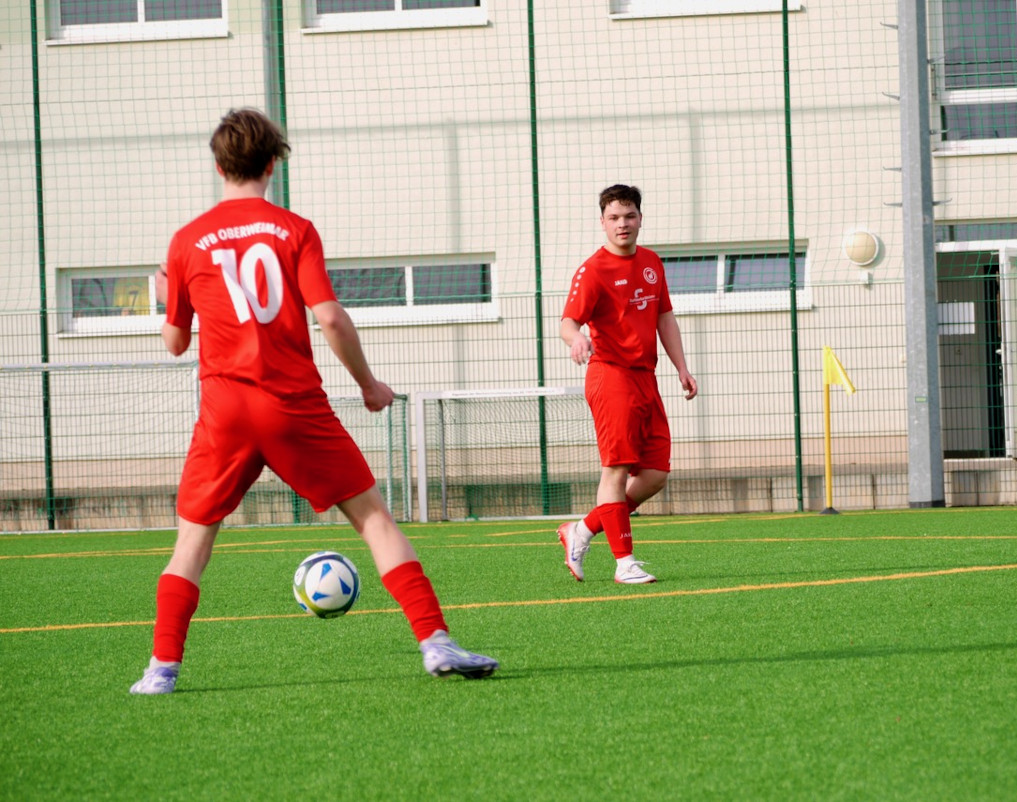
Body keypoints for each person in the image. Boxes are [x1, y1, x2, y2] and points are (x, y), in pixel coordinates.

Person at [130, 108, 497, 695]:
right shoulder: (294, 230)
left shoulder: (186, 240)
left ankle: (160, 671)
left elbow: (176, 344)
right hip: (292, 403)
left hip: (225, 409)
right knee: (374, 519)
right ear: (273, 162)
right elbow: (327, 316)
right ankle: (435, 642)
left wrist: (169, 292)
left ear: (218, 164)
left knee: (193, 541)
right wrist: (369, 385)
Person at [557, 184, 698, 584]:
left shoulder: (652, 262)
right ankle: (624, 563)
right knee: (616, 470)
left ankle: (582, 529)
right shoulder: (593, 270)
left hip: (645, 378)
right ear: (602, 222)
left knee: (654, 472)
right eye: (614, 218)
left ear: (640, 218)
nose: (623, 224)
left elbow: (664, 317)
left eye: (629, 216)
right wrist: (577, 338)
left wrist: (681, 368)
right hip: (610, 375)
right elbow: (567, 322)